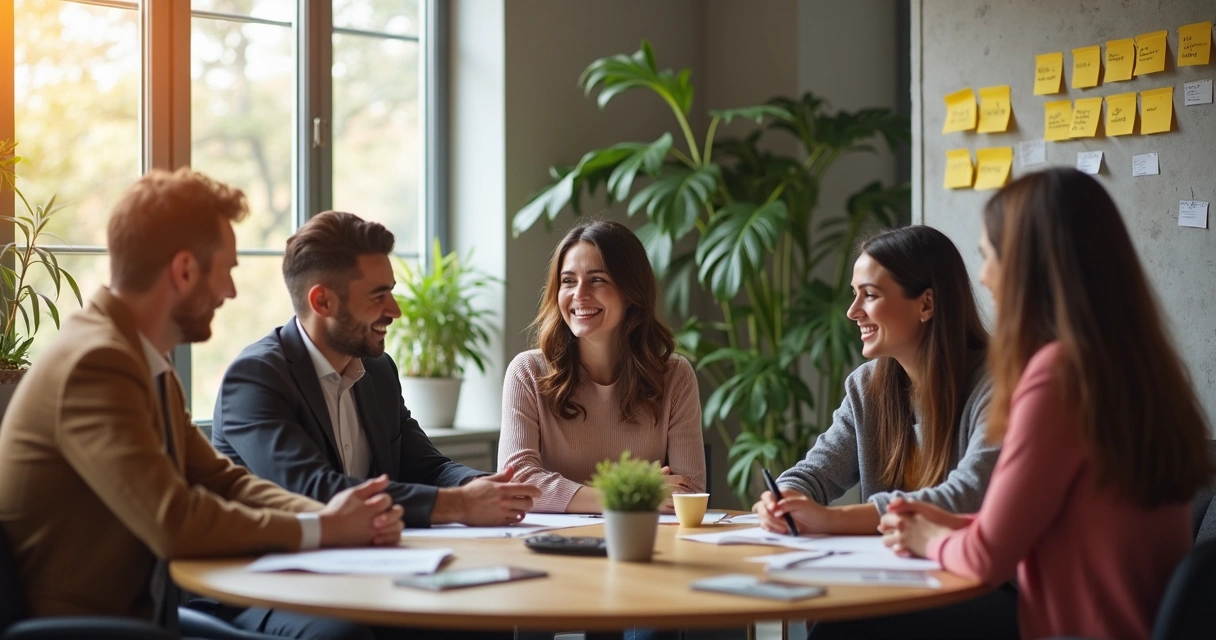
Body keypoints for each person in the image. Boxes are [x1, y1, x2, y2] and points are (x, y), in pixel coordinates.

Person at [0, 168, 402, 640]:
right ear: (185, 270)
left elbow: (219, 479)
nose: (230, 291)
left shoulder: (140, 358)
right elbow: (175, 521)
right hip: (90, 629)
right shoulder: (98, 363)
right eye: (227, 270)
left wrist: (327, 518)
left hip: (145, 614)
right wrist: (320, 530)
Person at [881, 169, 1213, 640]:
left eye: (988, 255)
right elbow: (1066, 520)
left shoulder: (1058, 375)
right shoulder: (1139, 367)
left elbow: (985, 560)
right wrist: (955, 522)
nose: (983, 276)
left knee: (859, 626)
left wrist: (928, 538)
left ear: (1026, 265)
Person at [753, 225, 1012, 640]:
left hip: (983, 588)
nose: (853, 311)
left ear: (926, 303)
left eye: (869, 295)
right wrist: (784, 498)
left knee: (845, 624)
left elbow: (970, 494)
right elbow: (815, 473)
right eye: (854, 294)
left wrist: (831, 520)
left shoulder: (998, 381)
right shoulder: (867, 386)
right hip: (898, 577)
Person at [212, 210, 540, 531]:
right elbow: (313, 491)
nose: (394, 310)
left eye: (391, 291)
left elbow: (427, 467)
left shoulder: (378, 370)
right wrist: (461, 504)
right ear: (323, 302)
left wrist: (485, 487)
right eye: (377, 295)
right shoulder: (256, 378)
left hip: (367, 566)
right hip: (269, 577)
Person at [499, 220, 705, 513]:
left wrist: (566, 495)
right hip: (556, 548)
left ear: (631, 293)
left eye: (597, 280)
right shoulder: (527, 372)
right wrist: (635, 492)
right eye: (568, 281)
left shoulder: (675, 376)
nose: (579, 294)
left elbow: (689, 492)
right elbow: (517, 485)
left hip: (646, 544)